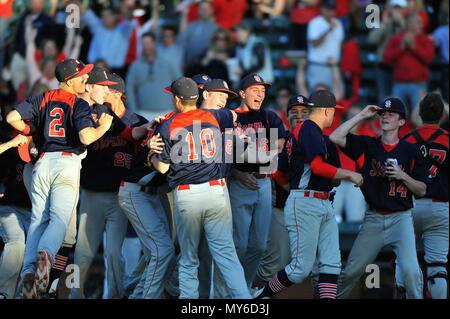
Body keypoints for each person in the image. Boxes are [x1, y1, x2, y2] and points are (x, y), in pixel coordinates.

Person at [6, 59, 114, 298]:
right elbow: (86, 137)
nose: (85, 79)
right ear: (69, 80)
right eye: (82, 76)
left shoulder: (43, 97)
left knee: (38, 220)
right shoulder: (78, 103)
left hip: (42, 163)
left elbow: (12, 117)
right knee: (59, 220)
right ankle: (46, 255)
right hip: (66, 162)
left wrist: (30, 130)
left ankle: (28, 271)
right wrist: (104, 128)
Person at [254, 90, 363, 299]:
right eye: (332, 112)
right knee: (299, 269)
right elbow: (317, 167)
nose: (333, 116)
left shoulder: (314, 136)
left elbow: (281, 171)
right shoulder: (308, 129)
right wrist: (351, 174)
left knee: (331, 264)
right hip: (306, 202)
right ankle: (260, 297)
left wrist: (334, 176)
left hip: (323, 202)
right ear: (326, 110)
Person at [149, 77, 251, 299]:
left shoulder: (169, 125)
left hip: (187, 195)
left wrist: (151, 155)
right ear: (198, 96)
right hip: (216, 192)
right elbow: (234, 114)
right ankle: (245, 301)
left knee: (188, 259)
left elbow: (164, 168)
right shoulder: (215, 116)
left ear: (177, 100)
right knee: (227, 256)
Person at [330, 97, 429, 299]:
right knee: (351, 272)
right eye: (383, 113)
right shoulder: (368, 144)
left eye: (391, 114)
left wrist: (403, 176)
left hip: (401, 219)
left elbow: (422, 190)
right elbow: (335, 137)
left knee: (411, 272)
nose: (385, 116)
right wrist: (362, 115)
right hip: (373, 219)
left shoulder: (411, 151)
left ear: (402, 121)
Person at [73, 70, 148, 299]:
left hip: (118, 197)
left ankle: (116, 295)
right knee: (82, 254)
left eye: (107, 88)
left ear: (117, 93)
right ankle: (73, 295)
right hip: (91, 195)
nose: (103, 91)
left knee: (115, 254)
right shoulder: (90, 117)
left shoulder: (136, 122)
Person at [228, 73, 286, 290]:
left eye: (263, 91)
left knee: (259, 246)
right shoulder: (231, 116)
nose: (260, 94)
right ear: (242, 93)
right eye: (255, 90)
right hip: (239, 183)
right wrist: (236, 171)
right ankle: (231, 289)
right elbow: (223, 153)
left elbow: (279, 146)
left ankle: (245, 286)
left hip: (263, 182)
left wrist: (250, 155)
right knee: (239, 244)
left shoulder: (270, 117)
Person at [396, 93, 449, 299]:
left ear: (419, 113)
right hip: (439, 206)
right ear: (442, 114)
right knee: (437, 265)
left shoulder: (406, 139)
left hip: (409, 206)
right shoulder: (447, 139)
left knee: (404, 259)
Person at [383, 13, 435, 117]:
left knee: (419, 116)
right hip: (398, 84)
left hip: (418, 84)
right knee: (396, 116)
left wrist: (413, 46)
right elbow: (386, 58)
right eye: (418, 22)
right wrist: (401, 47)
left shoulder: (425, 39)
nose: (421, 25)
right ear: (409, 24)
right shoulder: (396, 39)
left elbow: (428, 58)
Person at [0, 130, 30, 299]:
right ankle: (4, 293)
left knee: (39, 250)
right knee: (16, 241)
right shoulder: (12, 143)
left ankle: (24, 294)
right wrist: (11, 143)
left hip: (35, 213)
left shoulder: (53, 145)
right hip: (9, 208)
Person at [126, 32, 182, 122]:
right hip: (143, 113)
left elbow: (180, 84)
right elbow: (129, 89)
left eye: (149, 43)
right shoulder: (135, 66)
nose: (146, 46)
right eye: (144, 44)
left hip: (167, 111)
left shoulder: (168, 63)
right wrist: (134, 111)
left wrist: (178, 108)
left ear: (154, 43)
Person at [306, 0, 344, 92]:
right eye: (328, 9)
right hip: (318, 66)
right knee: (317, 97)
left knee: (335, 98)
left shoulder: (338, 23)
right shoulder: (315, 22)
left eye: (332, 9)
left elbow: (339, 44)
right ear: (322, 9)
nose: (330, 12)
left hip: (334, 67)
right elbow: (314, 44)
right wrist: (328, 30)